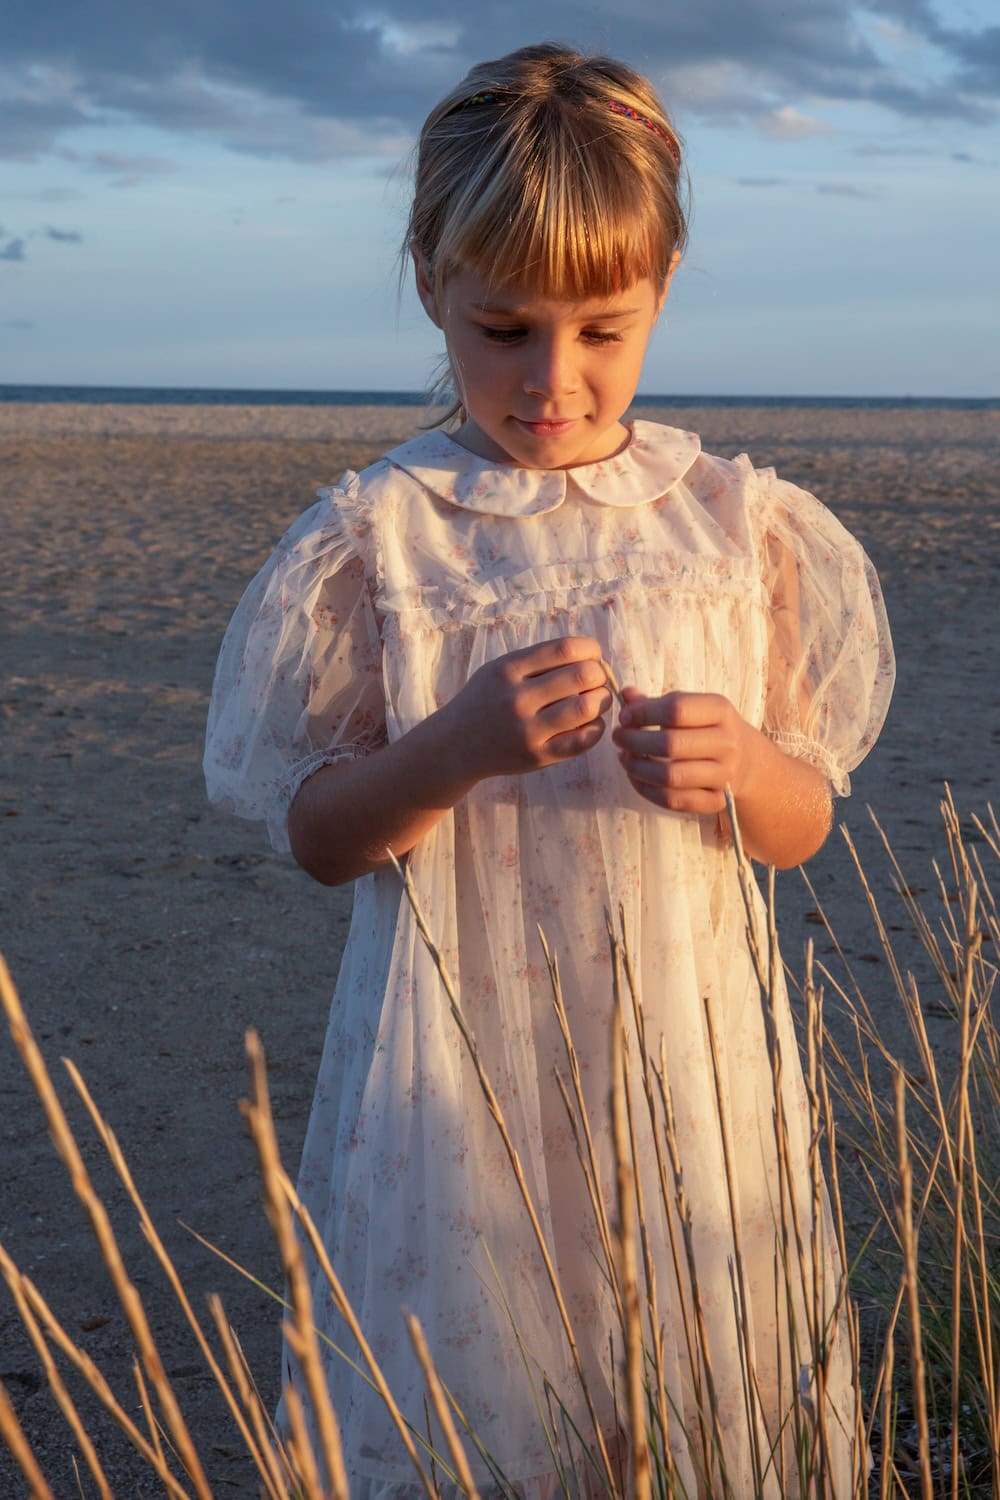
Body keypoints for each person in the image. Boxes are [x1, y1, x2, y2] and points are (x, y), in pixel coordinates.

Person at [204, 41, 894, 1499]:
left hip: (688, 1070)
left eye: (603, 330)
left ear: (664, 288)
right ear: (430, 281)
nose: (554, 383)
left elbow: (801, 826)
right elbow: (322, 836)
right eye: (506, 328)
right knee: (482, 1407)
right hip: (463, 1086)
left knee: (694, 1413)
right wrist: (451, 748)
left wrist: (747, 765)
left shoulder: (732, 524)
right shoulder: (380, 538)